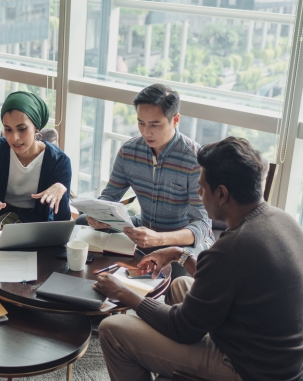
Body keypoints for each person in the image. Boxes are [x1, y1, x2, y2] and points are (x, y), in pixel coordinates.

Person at [93, 137, 303, 381]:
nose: (199, 195)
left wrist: (123, 292)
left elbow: (183, 329)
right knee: (181, 285)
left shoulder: (232, 247)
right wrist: (180, 253)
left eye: (201, 188)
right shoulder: (279, 219)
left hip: (252, 373)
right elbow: (227, 281)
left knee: (114, 328)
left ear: (222, 193)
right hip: (283, 356)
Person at [78, 84, 213, 277]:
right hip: (144, 229)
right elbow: (110, 195)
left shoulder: (194, 159)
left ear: (175, 120)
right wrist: (99, 215)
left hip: (181, 242)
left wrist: (159, 239)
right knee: (83, 223)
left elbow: (202, 225)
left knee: (180, 277)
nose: (146, 132)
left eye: (154, 125)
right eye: (141, 123)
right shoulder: (129, 151)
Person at [0, 90, 72, 263]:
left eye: (22, 129)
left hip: (33, 221)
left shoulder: (59, 162)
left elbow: (61, 221)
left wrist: (62, 190)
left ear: (36, 127)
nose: (14, 138)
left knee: (6, 226)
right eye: (7, 129)